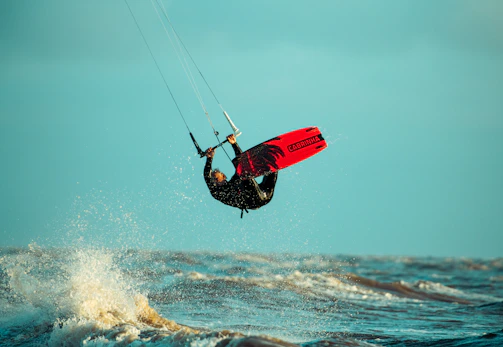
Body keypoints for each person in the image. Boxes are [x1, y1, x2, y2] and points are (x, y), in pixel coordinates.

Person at [204, 134, 278, 217]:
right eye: (213, 180)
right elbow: (207, 176)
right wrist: (209, 159)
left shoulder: (234, 181)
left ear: (223, 176)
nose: (214, 181)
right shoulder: (217, 192)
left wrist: (234, 145)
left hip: (266, 195)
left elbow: (242, 163)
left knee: (272, 168)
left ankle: (273, 162)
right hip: (253, 200)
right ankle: (271, 161)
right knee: (243, 173)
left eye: (216, 179)